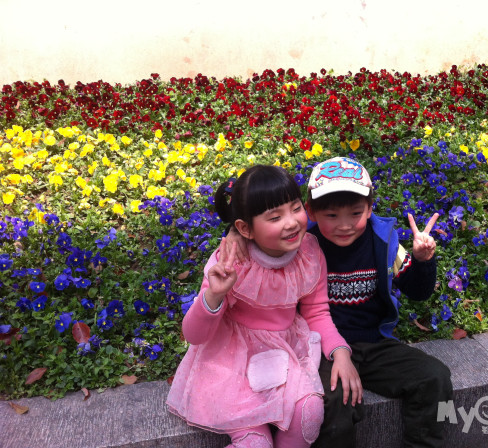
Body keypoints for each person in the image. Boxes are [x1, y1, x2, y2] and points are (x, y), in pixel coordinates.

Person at [225, 157, 453, 448]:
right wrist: (234, 233)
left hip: (374, 344)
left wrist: (422, 260)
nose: (344, 225)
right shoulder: (301, 241)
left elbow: (418, 292)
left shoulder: (384, 242)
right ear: (311, 212)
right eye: (331, 215)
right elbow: (261, 233)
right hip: (319, 348)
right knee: (334, 401)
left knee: (435, 377)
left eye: (356, 213)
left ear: (369, 208)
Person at [166, 164, 362, 448]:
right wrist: (214, 296)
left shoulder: (309, 251)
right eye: (275, 217)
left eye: (295, 208)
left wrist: (340, 351)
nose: (291, 222)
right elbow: (194, 336)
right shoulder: (231, 262)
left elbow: (317, 312)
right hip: (233, 362)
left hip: (286, 352)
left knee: (309, 413)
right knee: (255, 443)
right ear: (245, 228)